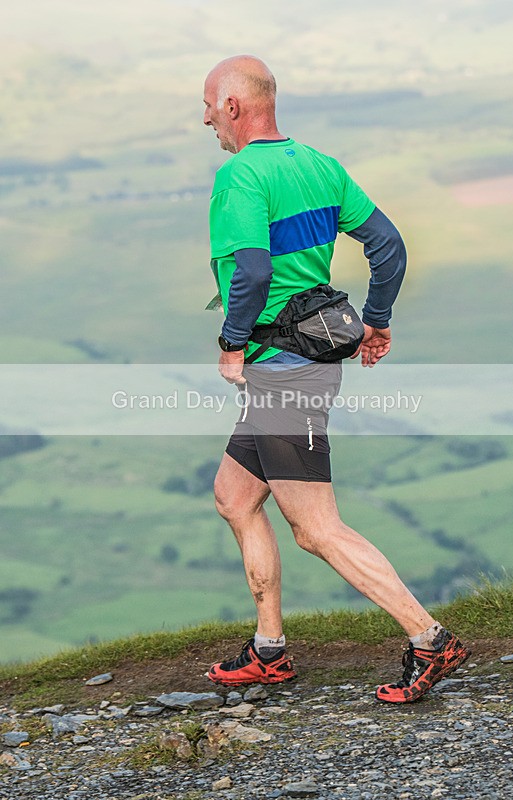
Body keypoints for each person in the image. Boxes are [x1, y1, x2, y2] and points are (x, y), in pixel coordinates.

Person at [203, 54, 470, 703]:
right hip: (303, 361)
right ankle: (269, 652)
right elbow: (388, 245)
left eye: (208, 105)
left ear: (235, 106)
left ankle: (429, 640)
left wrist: (232, 345)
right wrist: (375, 320)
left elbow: (255, 273)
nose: (205, 117)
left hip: (281, 372)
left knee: (316, 527)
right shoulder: (319, 164)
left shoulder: (239, 175)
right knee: (234, 498)